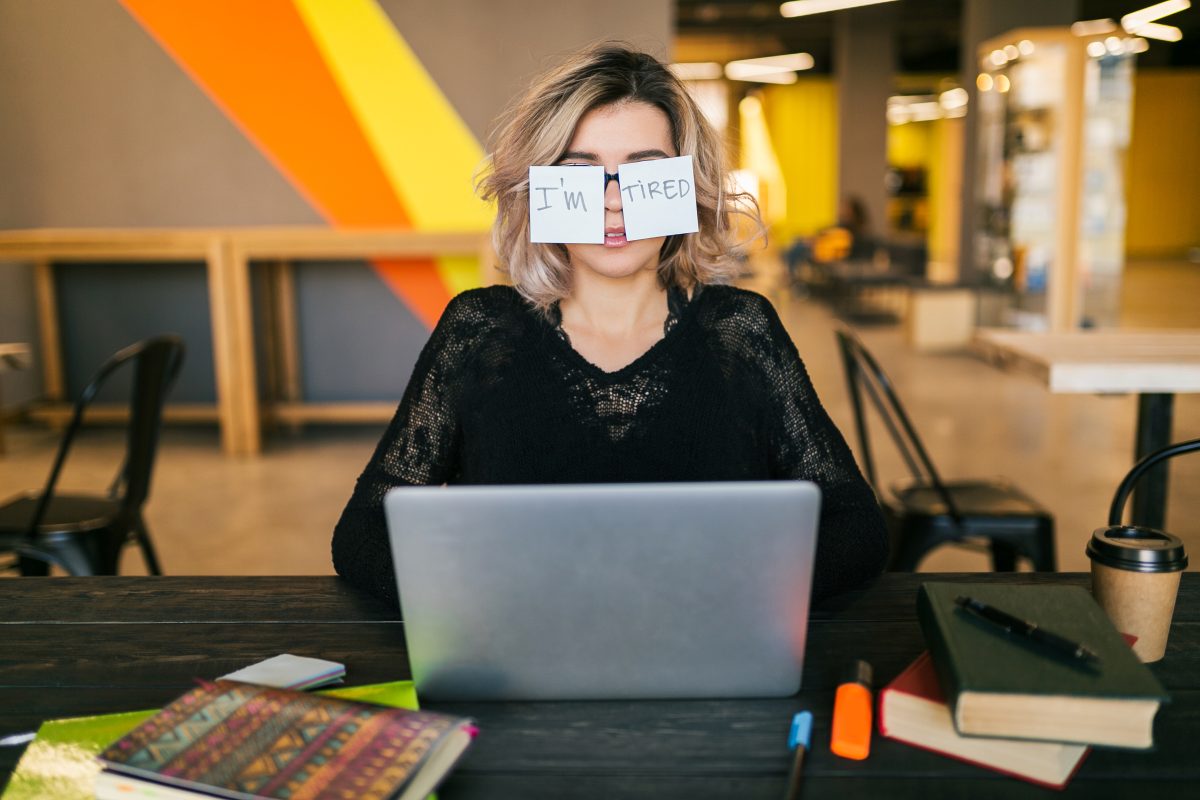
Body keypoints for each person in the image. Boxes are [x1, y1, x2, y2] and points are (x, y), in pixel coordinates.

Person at [332, 43, 888, 608]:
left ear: (687, 186)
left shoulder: (740, 332)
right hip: (515, 665)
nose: (614, 202)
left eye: (645, 173)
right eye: (581, 173)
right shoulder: (479, 332)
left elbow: (856, 525)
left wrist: (734, 594)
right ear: (539, 191)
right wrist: (475, 598)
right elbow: (362, 532)